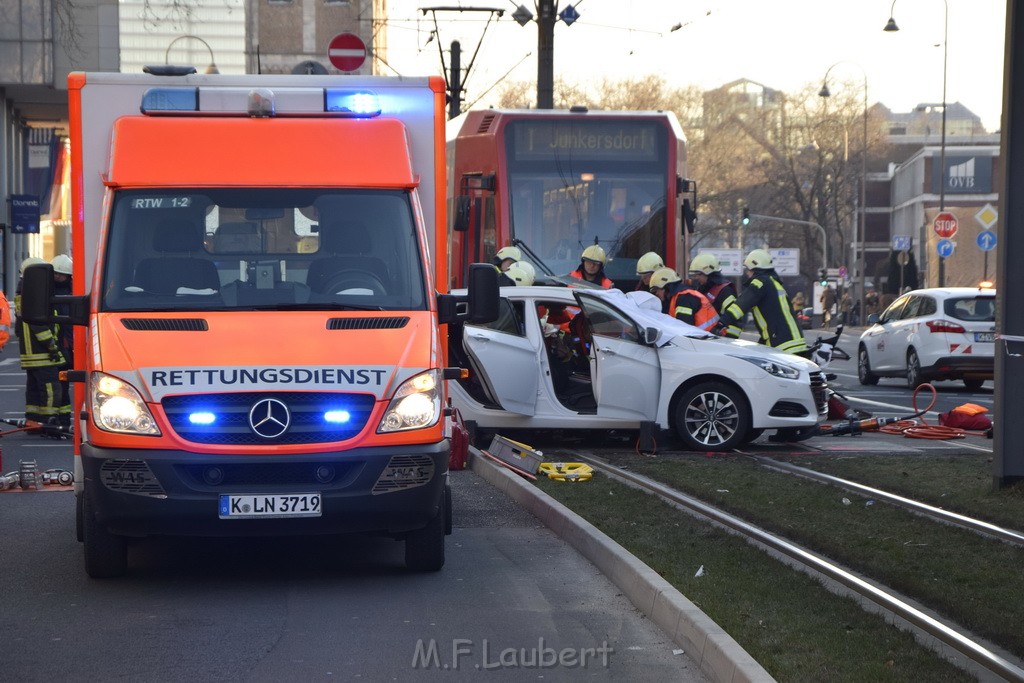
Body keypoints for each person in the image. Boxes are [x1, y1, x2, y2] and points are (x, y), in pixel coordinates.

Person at [717, 249, 809, 357]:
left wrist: (721, 322)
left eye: (749, 269)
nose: (747, 273)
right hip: (795, 341)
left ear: (755, 269)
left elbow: (741, 305)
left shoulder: (760, 283)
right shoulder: (775, 283)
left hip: (781, 344)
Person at [17, 256, 66, 425]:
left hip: (30, 355)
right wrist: (52, 347)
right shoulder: (34, 295)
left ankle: (33, 420)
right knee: (51, 388)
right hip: (42, 353)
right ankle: (49, 420)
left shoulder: (21, 296)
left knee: (34, 390)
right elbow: (40, 327)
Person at [648, 267, 721, 332]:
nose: (656, 294)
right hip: (707, 339)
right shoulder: (680, 296)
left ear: (667, 287)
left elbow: (684, 329)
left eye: (657, 289)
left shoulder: (684, 298)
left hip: (709, 340)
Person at [688, 253, 742, 338]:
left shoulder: (725, 290)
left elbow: (734, 319)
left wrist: (724, 336)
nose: (696, 277)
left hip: (719, 341)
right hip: (704, 338)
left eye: (699, 274)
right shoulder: (703, 288)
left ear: (708, 272)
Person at [51, 254, 74, 428]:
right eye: (55, 273)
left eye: (60, 274)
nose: (57, 277)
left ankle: (64, 419)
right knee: (60, 383)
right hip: (59, 344)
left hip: (70, 343)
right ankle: (61, 420)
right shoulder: (48, 291)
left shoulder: (74, 291)